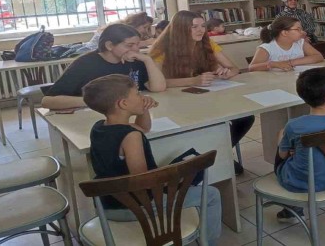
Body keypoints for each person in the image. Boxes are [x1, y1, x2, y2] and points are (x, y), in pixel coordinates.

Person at [83, 75, 222, 245]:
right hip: (133, 207)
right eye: (137, 94)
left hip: (107, 202)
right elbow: (143, 181)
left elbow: (143, 127)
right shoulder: (130, 137)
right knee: (212, 195)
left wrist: (143, 109)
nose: (142, 96)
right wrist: (173, 177)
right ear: (123, 104)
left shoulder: (99, 126)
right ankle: (210, 243)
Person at [150, 10, 253, 174]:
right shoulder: (161, 49)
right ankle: (210, 156)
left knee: (245, 117)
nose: (200, 30)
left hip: (205, 97)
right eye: (194, 27)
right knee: (201, 122)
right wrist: (193, 81)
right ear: (180, 29)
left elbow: (234, 68)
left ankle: (219, 152)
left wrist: (227, 72)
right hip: (174, 102)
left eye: (203, 26)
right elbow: (156, 84)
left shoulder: (207, 43)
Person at [274, 67, 325, 222]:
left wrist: (288, 147)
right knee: (298, 148)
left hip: (302, 184)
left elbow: (282, 155)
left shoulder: (295, 126)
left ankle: (292, 211)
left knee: (282, 137)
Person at [42, 24, 166, 110]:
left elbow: (158, 88)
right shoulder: (85, 64)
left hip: (128, 114)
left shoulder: (135, 60)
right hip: (94, 118)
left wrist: (147, 60)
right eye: (129, 45)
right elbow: (47, 101)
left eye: (138, 44)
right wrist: (97, 102)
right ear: (109, 45)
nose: (136, 49)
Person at [248, 16, 323, 72]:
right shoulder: (267, 47)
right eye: (298, 29)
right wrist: (274, 64)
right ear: (284, 33)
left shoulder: (300, 42)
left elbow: (318, 56)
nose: (303, 32)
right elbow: (252, 67)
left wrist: (290, 63)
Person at [79, 12, 156, 53]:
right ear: (136, 24)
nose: (146, 31)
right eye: (145, 27)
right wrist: (146, 42)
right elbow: (123, 45)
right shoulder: (120, 30)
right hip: (88, 51)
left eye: (148, 28)